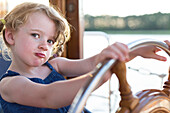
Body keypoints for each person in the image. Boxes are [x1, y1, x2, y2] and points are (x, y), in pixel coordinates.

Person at [0, 2, 169, 113]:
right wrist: (101, 75)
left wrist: (135, 52)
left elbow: (91, 63)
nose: (45, 45)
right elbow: (49, 97)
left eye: (50, 40)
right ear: (11, 36)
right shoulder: (10, 84)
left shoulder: (56, 65)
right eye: (36, 35)